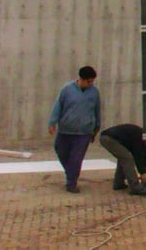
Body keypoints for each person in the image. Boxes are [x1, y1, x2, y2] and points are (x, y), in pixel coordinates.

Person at [47, 66, 101, 194]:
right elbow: (57, 106)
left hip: (84, 132)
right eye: (88, 81)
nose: (90, 84)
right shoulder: (67, 90)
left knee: (76, 158)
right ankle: (71, 173)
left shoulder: (94, 93)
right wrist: (52, 122)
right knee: (61, 151)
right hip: (65, 130)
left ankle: (71, 182)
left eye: (92, 82)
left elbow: (97, 110)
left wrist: (96, 126)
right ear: (81, 79)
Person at [99, 124, 146, 196]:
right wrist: (143, 172)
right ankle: (135, 187)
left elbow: (140, 154)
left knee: (124, 158)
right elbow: (138, 154)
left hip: (106, 137)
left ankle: (118, 183)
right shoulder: (138, 136)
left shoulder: (135, 134)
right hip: (109, 139)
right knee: (127, 158)